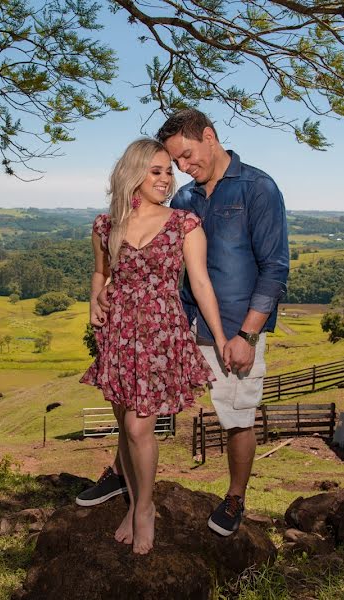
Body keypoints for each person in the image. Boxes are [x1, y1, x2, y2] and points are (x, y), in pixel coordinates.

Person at [77, 109, 289, 538]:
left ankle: (234, 496)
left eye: (187, 158)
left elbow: (274, 268)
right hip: (172, 323)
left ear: (209, 137)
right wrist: (100, 293)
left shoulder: (258, 189)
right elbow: (142, 255)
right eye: (175, 165)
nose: (183, 170)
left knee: (236, 414)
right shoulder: (185, 199)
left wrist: (245, 334)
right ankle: (126, 480)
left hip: (232, 324)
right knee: (132, 409)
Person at [80, 137, 229, 555]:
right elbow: (100, 273)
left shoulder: (185, 224)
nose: (166, 179)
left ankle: (144, 508)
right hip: (119, 334)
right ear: (134, 173)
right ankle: (132, 501)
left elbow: (200, 283)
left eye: (169, 171)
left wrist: (218, 337)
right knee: (125, 430)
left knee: (137, 426)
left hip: (161, 335)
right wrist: (95, 300)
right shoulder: (105, 225)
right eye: (157, 170)